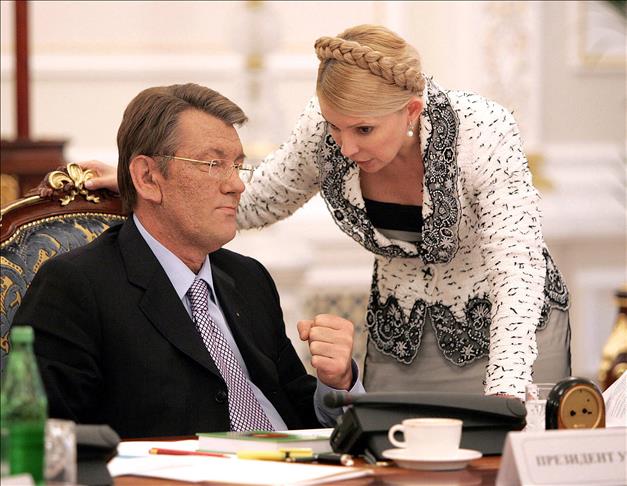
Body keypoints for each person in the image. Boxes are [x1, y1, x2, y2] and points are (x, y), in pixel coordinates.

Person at [80, 25, 571, 399]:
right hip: (400, 338)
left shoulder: (483, 130)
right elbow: (256, 200)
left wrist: (506, 390)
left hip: (511, 331)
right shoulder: (324, 131)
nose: (346, 146)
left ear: (411, 111)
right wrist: (149, 185)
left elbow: (517, 266)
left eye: (363, 130)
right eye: (336, 127)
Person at [13, 83, 364, 439]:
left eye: (237, 166)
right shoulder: (77, 286)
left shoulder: (249, 278)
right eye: (213, 164)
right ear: (148, 178)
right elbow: (52, 439)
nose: (237, 185)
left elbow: (297, 414)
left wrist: (337, 384)